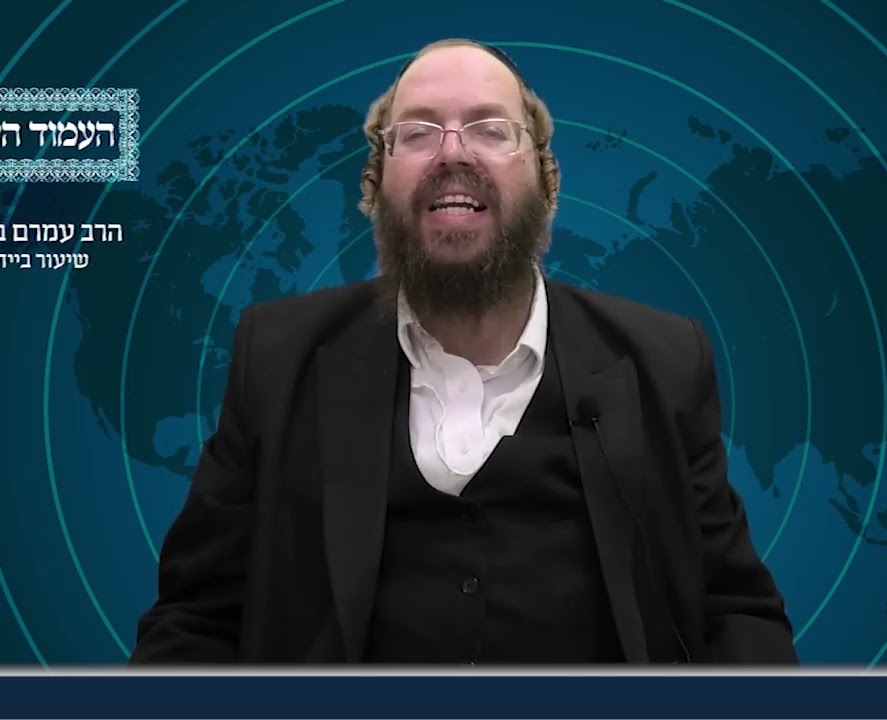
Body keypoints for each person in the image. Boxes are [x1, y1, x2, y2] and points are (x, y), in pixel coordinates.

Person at [129, 38, 797, 665]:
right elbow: (195, 619)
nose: (452, 152)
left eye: (489, 129)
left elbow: (733, 609)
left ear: (546, 178)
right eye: (418, 132)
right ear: (375, 182)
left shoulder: (663, 361)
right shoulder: (276, 358)